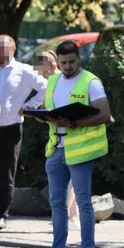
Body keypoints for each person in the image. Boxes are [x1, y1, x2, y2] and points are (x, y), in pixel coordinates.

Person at [30, 40, 112, 248]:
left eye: (71, 62)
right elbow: (52, 111)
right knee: (57, 203)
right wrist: (37, 115)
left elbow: (105, 114)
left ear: (79, 59)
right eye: (63, 62)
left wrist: (74, 122)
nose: (67, 66)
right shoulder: (53, 81)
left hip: (80, 150)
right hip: (56, 147)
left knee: (84, 203)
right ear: (58, 61)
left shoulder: (90, 82)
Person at [0, 35, 47, 232]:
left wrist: (29, 106)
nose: (0, 52)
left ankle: (2, 215)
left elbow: (45, 86)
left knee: (6, 175)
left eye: (4, 48)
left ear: (14, 49)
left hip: (11, 129)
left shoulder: (24, 71)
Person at [34, 50, 80, 230]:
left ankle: (69, 216)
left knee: (69, 182)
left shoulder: (56, 82)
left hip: (68, 138)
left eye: (41, 63)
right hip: (58, 139)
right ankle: (72, 217)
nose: (38, 68)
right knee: (71, 181)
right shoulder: (51, 82)